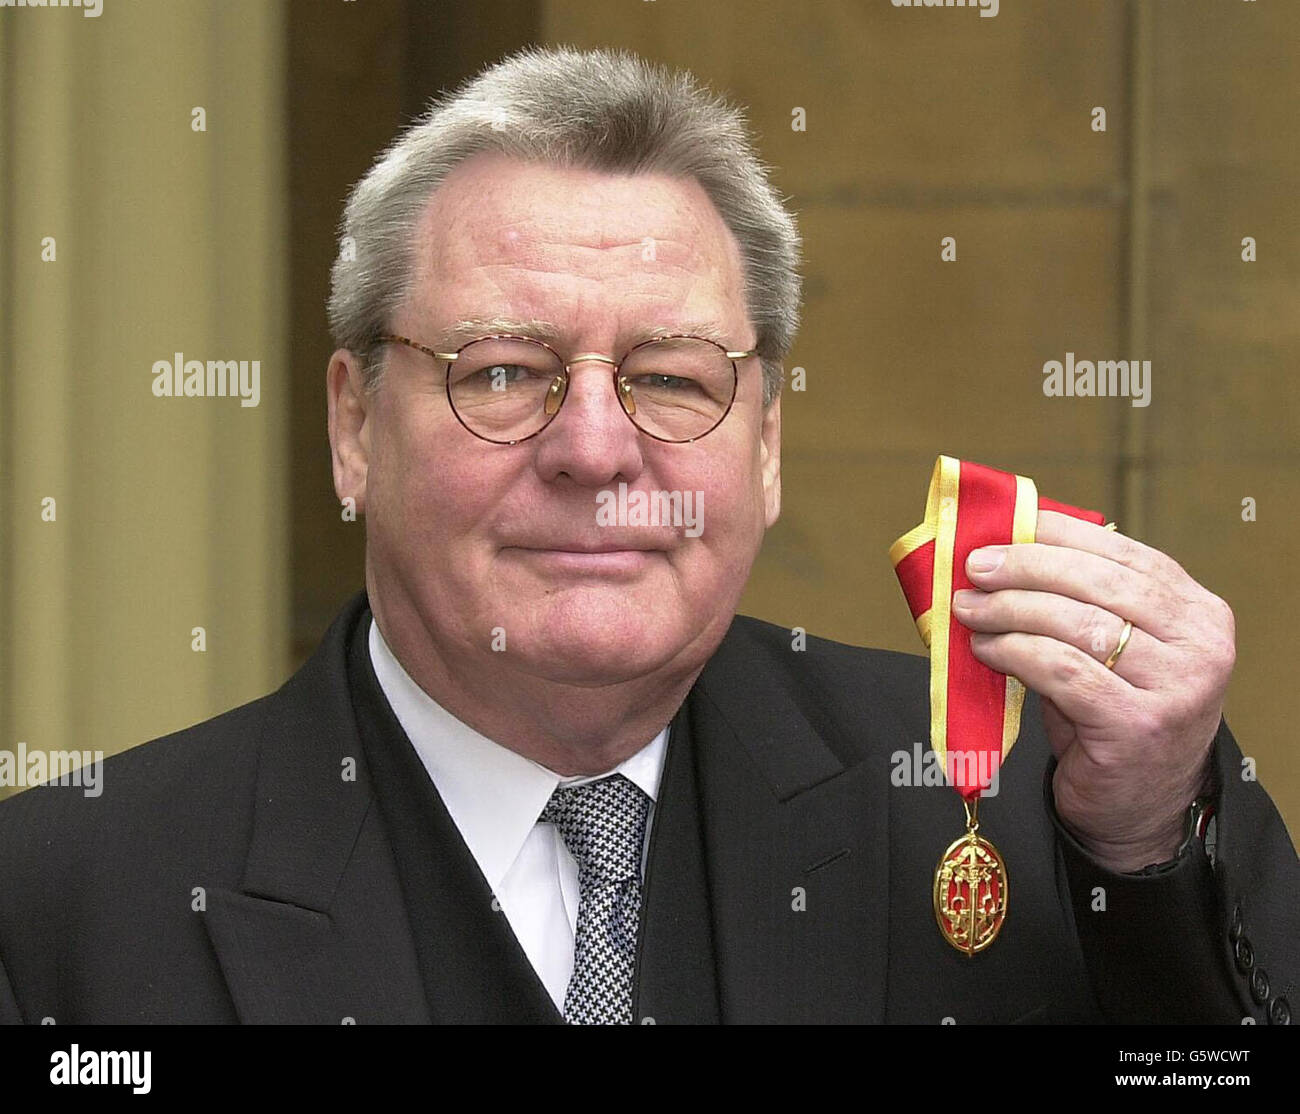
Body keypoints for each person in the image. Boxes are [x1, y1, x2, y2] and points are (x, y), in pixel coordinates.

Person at [0, 45, 1294, 1026]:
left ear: (769, 442)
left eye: (672, 377)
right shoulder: (64, 899)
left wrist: (1141, 852)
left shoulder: (1016, 801)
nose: (595, 447)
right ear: (353, 427)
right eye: (503, 370)